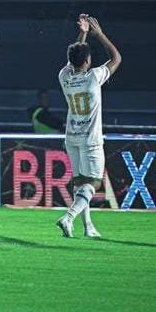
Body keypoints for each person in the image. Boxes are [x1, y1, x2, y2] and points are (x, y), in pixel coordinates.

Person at [56, 14, 121, 238]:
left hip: (72, 137)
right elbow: (116, 58)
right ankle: (69, 217)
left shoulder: (64, 76)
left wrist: (83, 33)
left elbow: (74, 56)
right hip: (91, 139)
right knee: (92, 182)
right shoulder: (94, 77)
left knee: (80, 182)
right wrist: (99, 34)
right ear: (87, 61)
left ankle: (88, 226)